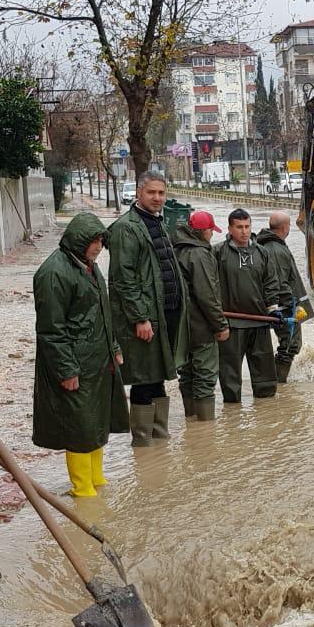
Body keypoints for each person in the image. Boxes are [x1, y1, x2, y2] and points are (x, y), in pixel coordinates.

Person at [33, 213, 129, 496]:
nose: (98, 246)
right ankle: (82, 487)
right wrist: (66, 370)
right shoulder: (53, 273)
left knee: (96, 419)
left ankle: (96, 478)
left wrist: (113, 350)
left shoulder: (90, 267)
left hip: (98, 359)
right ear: (78, 240)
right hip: (74, 362)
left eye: (101, 240)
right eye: (93, 241)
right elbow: (51, 329)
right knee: (79, 424)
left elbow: (103, 313)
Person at [107, 173, 188, 447]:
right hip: (144, 319)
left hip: (163, 315)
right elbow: (123, 278)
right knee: (144, 377)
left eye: (161, 193)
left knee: (158, 375)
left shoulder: (158, 222)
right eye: (152, 192)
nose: (157, 198)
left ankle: (159, 440)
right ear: (139, 193)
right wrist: (140, 318)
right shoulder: (127, 228)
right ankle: (143, 444)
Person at [214, 209, 290, 404]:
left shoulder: (261, 252)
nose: (244, 231)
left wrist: (273, 309)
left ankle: (266, 419)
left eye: (247, 226)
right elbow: (210, 285)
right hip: (231, 324)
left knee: (265, 378)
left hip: (259, 322)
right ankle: (232, 418)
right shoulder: (218, 252)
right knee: (230, 378)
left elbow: (271, 283)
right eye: (239, 227)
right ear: (230, 228)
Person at [172, 210, 229, 421]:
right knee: (205, 375)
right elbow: (207, 294)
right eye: (211, 231)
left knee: (186, 374)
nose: (212, 235)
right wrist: (220, 325)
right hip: (201, 326)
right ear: (204, 231)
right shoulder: (200, 254)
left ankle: (191, 421)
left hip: (180, 325)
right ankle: (206, 428)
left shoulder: (176, 249)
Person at [253, 211, 312, 385]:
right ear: (285, 228)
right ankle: (278, 382)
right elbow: (279, 283)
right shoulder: (276, 250)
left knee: (288, 345)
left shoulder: (269, 245)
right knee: (290, 345)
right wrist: (287, 306)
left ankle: (274, 379)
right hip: (286, 308)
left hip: (283, 306)